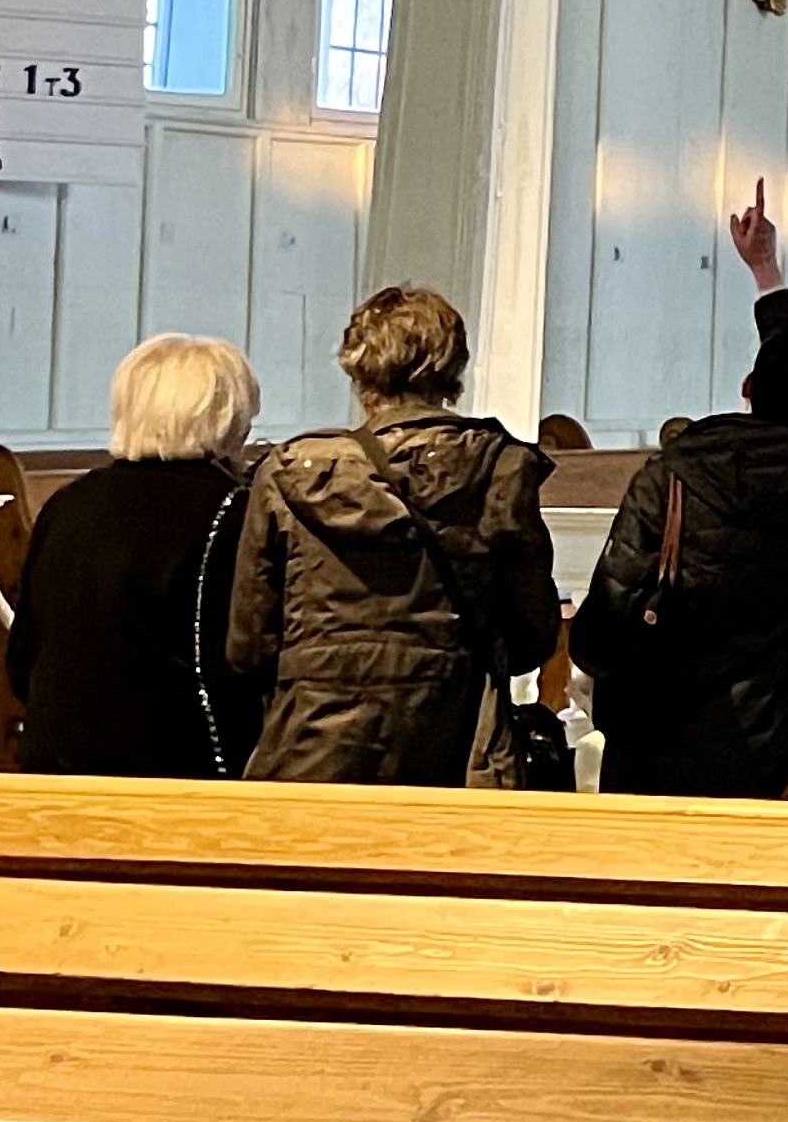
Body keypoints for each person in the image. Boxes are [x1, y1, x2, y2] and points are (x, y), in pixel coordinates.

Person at [575, 205, 788, 799]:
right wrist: (767, 273)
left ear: (746, 388)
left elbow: (604, 629)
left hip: (654, 730)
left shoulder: (674, 475)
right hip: (778, 737)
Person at [231, 287, 561, 785]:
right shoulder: (499, 467)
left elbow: (249, 646)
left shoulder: (290, 473)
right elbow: (530, 636)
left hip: (311, 749)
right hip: (455, 745)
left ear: (357, 369)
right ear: (453, 368)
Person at [7, 334, 266, 776]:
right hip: (175, 774)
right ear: (226, 420)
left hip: (53, 765)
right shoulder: (236, 512)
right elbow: (246, 668)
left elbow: (23, 660)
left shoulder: (69, 502)